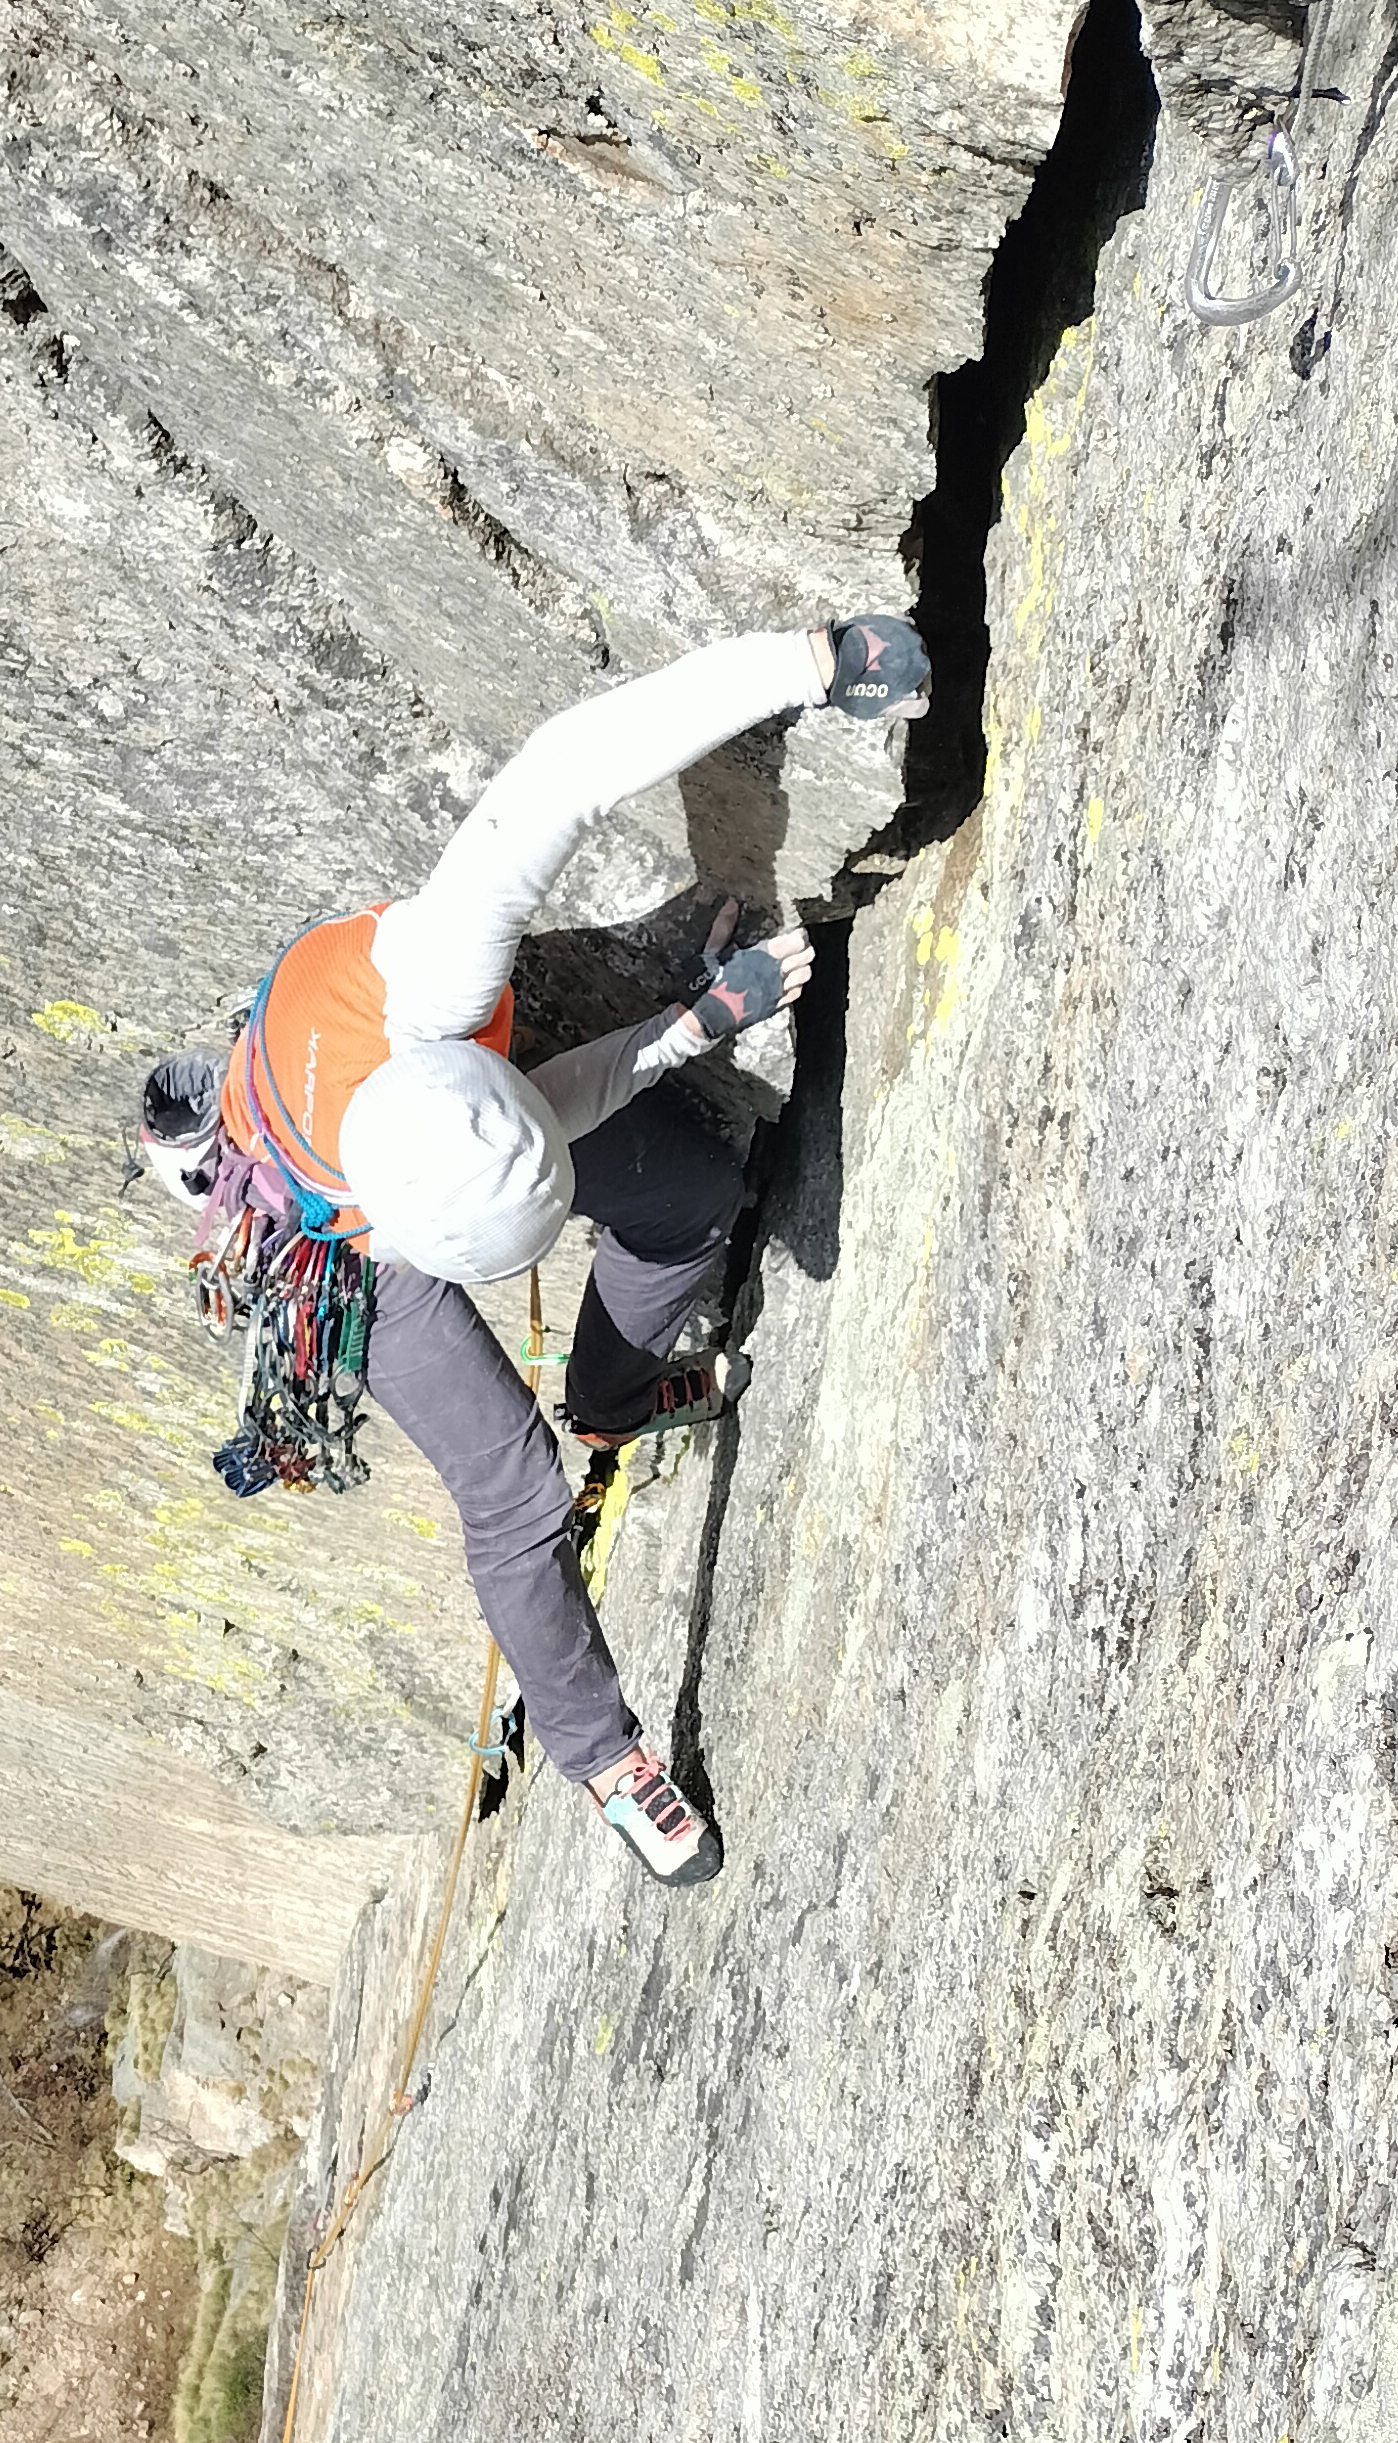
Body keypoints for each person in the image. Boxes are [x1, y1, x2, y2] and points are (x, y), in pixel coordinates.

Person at [140, 614, 926, 1888]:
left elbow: (567, 764)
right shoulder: (367, 1229)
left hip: (420, 1114)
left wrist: (814, 665)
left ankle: (613, 1395)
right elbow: (548, 1109)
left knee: (689, 1188)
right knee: (510, 1487)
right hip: (329, 1234)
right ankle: (605, 1759)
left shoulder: (438, 978)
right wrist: (686, 1024)